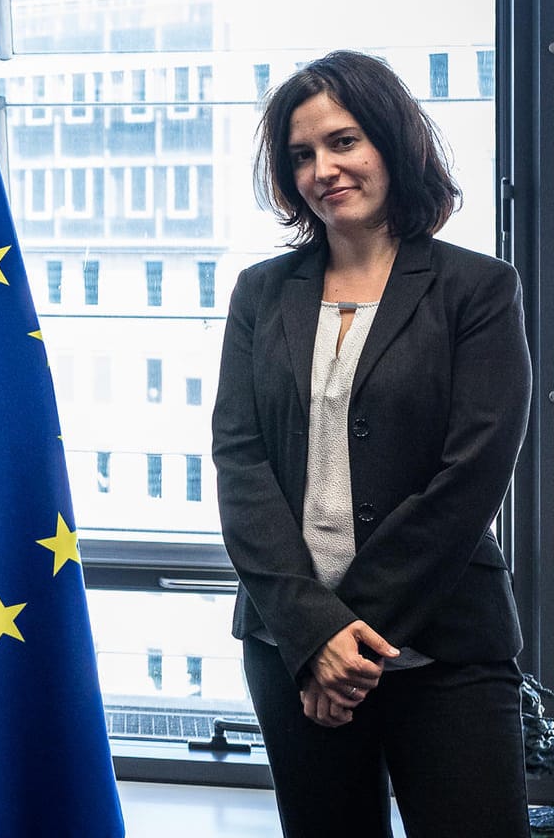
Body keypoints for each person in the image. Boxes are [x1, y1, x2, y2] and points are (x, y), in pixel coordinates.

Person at [213, 50, 529, 837]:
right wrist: (311, 634)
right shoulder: (259, 292)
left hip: (445, 647)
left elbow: (473, 473)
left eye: (344, 141)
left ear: (391, 143)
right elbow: (240, 460)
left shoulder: (478, 289)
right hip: (290, 643)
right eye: (301, 155)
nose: (324, 168)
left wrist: (344, 640)